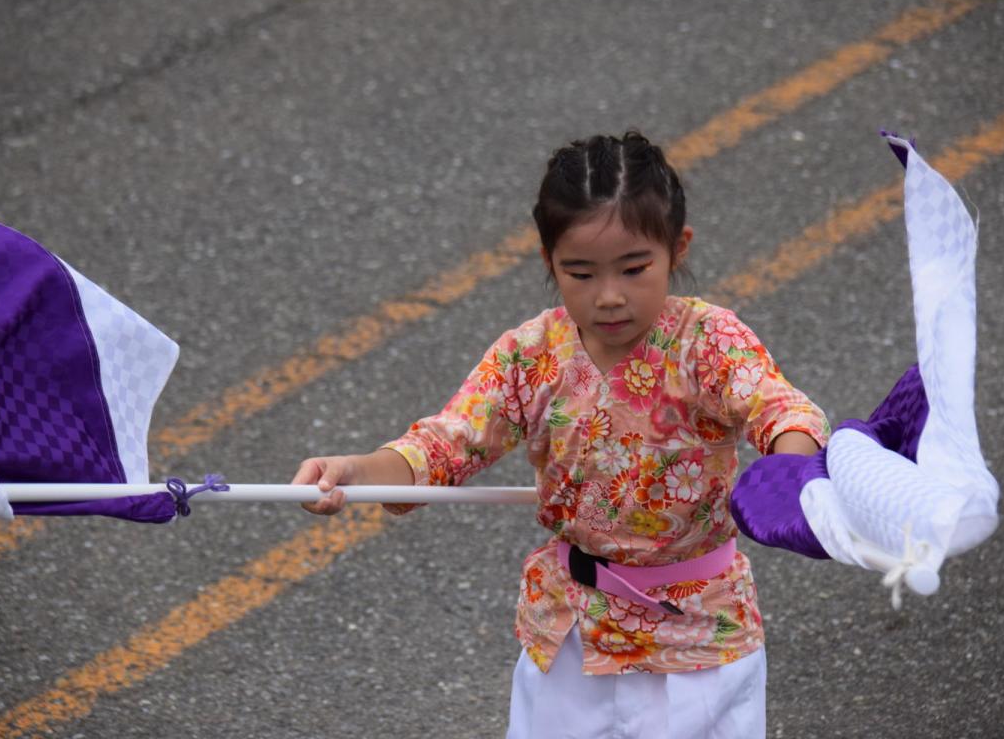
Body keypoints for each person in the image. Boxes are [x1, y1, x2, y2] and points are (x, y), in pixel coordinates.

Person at [292, 131, 828, 738]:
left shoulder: (709, 342)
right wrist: (357, 472)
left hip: (699, 638)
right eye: (580, 272)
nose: (609, 296)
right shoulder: (530, 355)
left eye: (634, 268)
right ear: (550, 263)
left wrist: (790, 475)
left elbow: (785, 413)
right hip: (570, 639)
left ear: (677, 249)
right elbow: (445, 444)